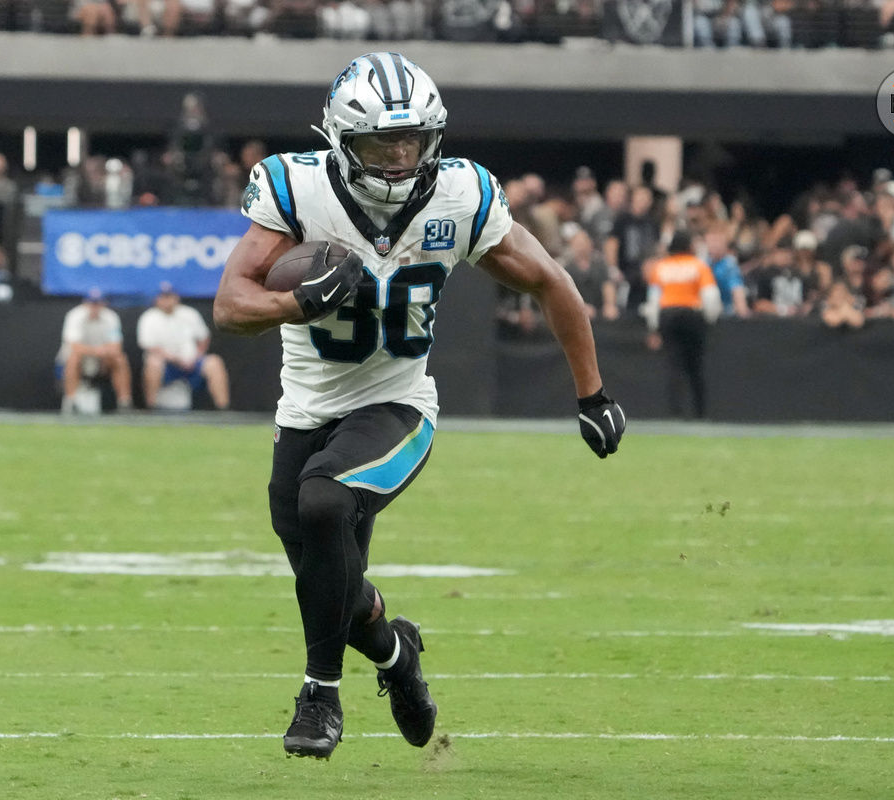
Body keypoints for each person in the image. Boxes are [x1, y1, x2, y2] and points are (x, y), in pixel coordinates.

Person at [213, 52, 625, 761]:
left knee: (323, 502)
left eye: (412, 139)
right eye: (381, 142)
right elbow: (230, 306)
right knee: (330, 585)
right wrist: (299, 300)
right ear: (341, 141)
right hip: (306, 410)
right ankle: (396, 653)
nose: (401, 157)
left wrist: (593, 393)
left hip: (398, 403)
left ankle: (320, 695)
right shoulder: (296, 187)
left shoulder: (460, 195)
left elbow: (551, 282)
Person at [644, 230, 720, 419]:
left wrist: (654, 328)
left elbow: (653, 300)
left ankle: (675, 414)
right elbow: (710, 296)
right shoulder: (699, 266)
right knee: (695, 366)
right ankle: (700, 413)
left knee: (674, 366)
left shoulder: (661, 267)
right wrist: (708, 320)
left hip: (669, 315)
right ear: (689, 247)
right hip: (692, 315)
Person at [136, 281, 230, 410]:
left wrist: (197, 356)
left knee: (214, 362)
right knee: (153, 363)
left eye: (169, 296)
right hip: (167, 364)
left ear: (176, 297)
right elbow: (149, 346)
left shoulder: (189, 313)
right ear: (157, 299)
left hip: (192, 362)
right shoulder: (149, 317)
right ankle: (151, 408)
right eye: (163, 297)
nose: (167, 301)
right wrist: (175, 359)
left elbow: (204, 337)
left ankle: (223, 409)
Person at [57, 287, 135, 414]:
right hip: (81, 358)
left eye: (97, 303)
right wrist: (97, 351)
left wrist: (101, 353)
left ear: (103, 303)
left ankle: (124, 403)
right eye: (92, 303)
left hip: (102, 360)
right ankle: (70, 403)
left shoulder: (111, 317)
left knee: (119, 359)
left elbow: (116, 346)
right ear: (85, 303)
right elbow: (74, 346)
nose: (94, 306)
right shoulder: (74, 316)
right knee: (74, 357)